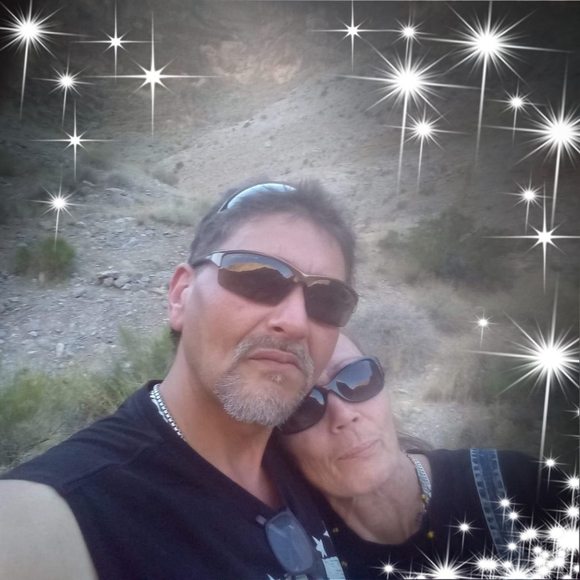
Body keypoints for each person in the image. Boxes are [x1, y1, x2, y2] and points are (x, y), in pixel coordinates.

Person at [0, 180, 359, 580]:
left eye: (328, 300)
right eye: (259, 277)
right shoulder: (68, 509)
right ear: (180, 296)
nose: (295, 322)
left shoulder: (307, 463)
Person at [278, 334, 572, 580]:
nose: (344, 415)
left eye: (356, 377)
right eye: (302, 405)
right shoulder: (292, 558)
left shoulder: (522, 487)